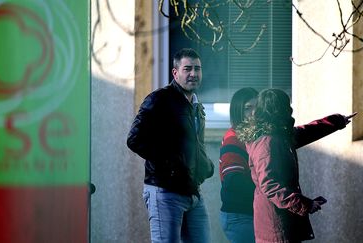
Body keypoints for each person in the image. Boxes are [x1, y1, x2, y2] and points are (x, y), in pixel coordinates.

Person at [235, 88, 356, 243]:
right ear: (280, 110)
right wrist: (304, 204)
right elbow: (270, 185)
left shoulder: (276, 134)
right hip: (276, 228)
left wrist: (337, 121)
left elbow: (307, 131)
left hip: (280, 223)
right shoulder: (267, 141)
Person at [127, 48, 214, 243]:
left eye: (197, 69)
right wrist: (171, 166)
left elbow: (194, 144)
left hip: (192, 191)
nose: (193, 74)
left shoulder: (196, 106)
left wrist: (205, 165)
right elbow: (134, 139)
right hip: (164, 191)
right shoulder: (159, 100)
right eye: (188, 69)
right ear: (175, 73)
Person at [219, 87, 258, 243]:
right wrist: (267, 191)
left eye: (258, 107)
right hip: (240, 216)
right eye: (248, 108)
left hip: (249, 213)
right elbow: (233, 181)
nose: (254, 113)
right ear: (238, 111)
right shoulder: (234, 139)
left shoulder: (253, 134)